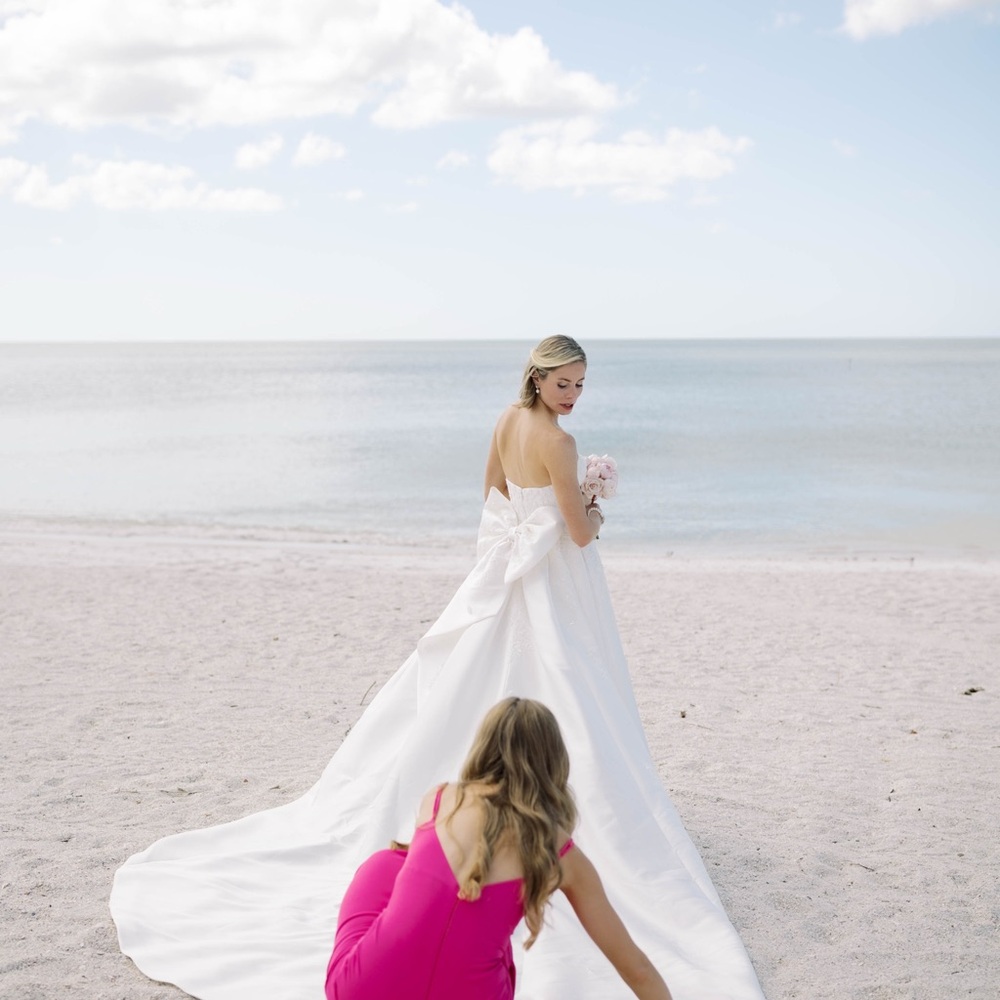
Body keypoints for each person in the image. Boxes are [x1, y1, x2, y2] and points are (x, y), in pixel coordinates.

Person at [111, 337, 764, 1000]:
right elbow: (575, 533)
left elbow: (491, 491)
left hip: (507, 566)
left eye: (580, 385)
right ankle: (581, 803)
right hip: (553, 579)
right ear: (537, 379)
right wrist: (595, 503)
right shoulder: (561, 446)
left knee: (485, 678)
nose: (571, 396)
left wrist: (519, 526)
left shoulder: (507, 422)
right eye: (563, 383)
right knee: (570, 683)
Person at [326, 698, 673, 1000]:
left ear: (483, 747)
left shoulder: (439, 799)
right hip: (471, 993)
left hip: (363, 991)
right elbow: (636, 968)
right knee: (486, 924)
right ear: (553, 764)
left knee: (387, 862)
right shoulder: (563, 857)